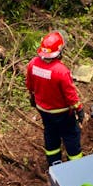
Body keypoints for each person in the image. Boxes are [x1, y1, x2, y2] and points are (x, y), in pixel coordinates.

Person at [26, 30, 84, 166]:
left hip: (43, 110)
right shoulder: (61, 71)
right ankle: (75, 165)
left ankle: (54, 163)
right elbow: (70, 95)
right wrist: (79, 109)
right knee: (70, 135)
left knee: (50, 134)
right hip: (62, 112)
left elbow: (29, 84)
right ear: (59, 51)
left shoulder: (33, 64)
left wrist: (32, 97)